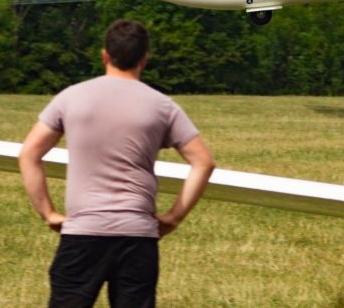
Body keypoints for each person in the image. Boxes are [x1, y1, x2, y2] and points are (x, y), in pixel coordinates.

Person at [19, 19, 215, 307]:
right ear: (144, 59)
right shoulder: (162, 105)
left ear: (104, 55)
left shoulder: (70, 97)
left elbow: (29, 154)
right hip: (137, 237)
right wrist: (173, 217)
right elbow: (203, 162)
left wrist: (48, 213)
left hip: (82, 233)